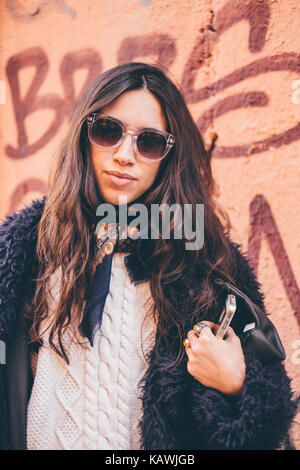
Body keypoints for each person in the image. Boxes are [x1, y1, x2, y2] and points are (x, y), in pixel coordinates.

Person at [0, 62, 296, 451]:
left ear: (169, 156)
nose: (125, 155)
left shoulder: (201, 258)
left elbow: (267, 415)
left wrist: (237, 383)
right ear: (84, 135)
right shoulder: (30, 246)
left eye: (149, 142)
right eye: (108, 131)